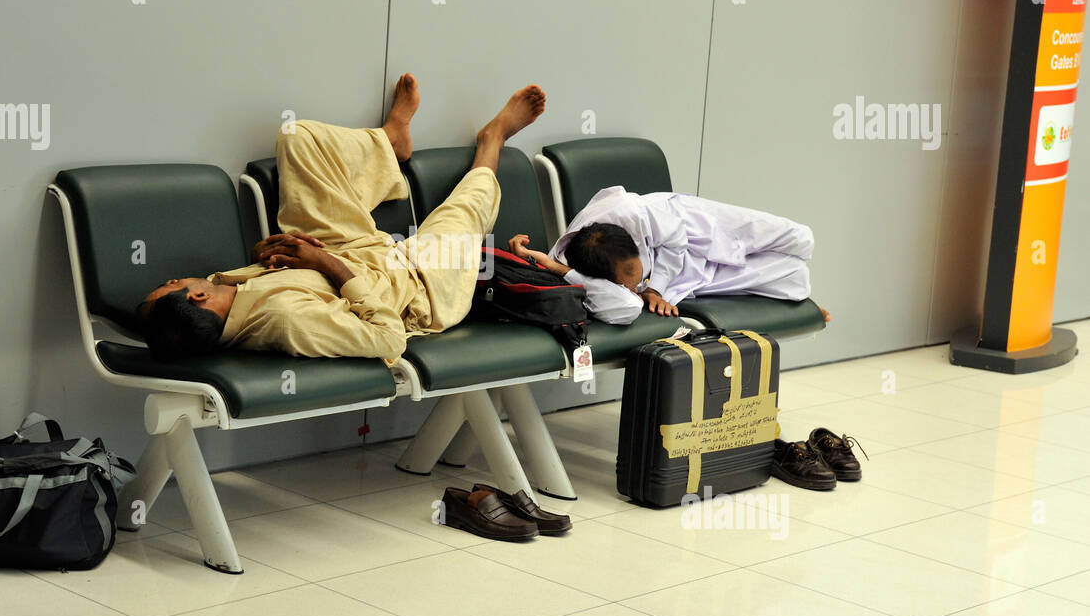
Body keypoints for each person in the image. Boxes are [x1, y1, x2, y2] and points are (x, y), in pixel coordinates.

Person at [135, 75, 548, 363]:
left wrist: (266, 256)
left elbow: (296, 276)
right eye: (170, 284)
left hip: (342, 247)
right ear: (196, 299)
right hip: (416, 283)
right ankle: (492, 138)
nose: (176, 278)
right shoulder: (286, 322)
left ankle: (389, 141)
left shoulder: (222, 289)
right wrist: (326, 264)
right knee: (465, 211)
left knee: (297, 138)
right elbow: (387, 338)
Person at [507, 187, 830, 325]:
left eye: (632, 272)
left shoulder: (632, 215)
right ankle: (798, 299)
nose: (630, 286)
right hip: (679, 272)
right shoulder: (574, 261)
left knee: (801, 239)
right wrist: (559, 270)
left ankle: (795, 296)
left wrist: (655, 287)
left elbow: (675, 241)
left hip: (688, 224)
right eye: (625, 282)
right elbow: (624, 309)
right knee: (790, 275)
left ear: (635, 246)